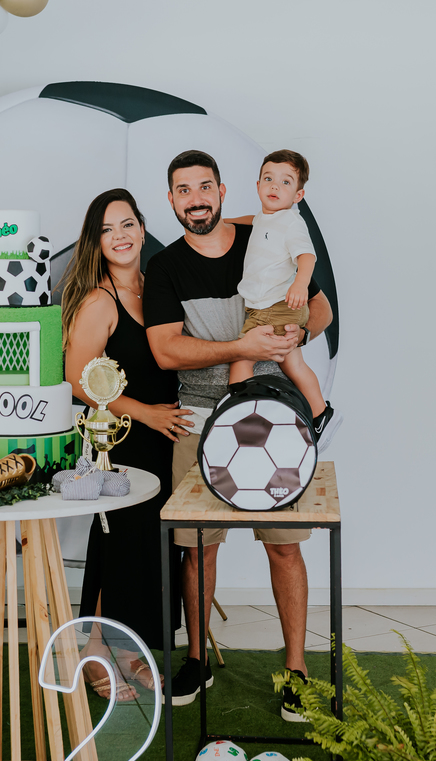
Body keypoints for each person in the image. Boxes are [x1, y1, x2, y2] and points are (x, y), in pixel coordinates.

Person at [143, 150, 334, 721]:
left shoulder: (267, 238)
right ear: (172, 199)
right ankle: (197, 657)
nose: (196, 198)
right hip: (200, 417)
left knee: (283, 543)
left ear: (224, 191)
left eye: (205, 187)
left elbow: (319, 311)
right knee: (198, 550)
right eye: (183, 190)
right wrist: (240, 349)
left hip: (275, 415)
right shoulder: (166, 266)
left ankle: (296, 668)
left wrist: (282, 338)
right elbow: (164, 350)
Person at [59, 187, 191, 701]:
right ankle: (94, 647)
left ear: (142, 227)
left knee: (150, 552)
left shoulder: (156, 285)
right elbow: (77, 379)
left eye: (128, 223)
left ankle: (129, 647)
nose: (120, 236)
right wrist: (146, 413)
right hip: (126, 441)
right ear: (96, 240)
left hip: (167, 436)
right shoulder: (99, 300)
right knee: (117, 546)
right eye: (108, 228)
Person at [229, 149, 338, 438]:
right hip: (273, 306)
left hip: (276, 305)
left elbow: (307, 256)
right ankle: (320, 412)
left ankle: (238, 412)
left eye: (286, 182)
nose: (275, 186)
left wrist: (300, 284)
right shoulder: (265, 217)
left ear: (298, 196)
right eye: (269, 179)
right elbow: (252, 220)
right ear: (258, 186)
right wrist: (224, 223)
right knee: (293, 363)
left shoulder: (291, 222)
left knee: (242, 358)